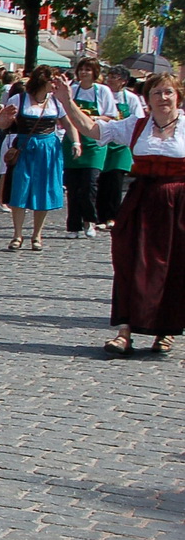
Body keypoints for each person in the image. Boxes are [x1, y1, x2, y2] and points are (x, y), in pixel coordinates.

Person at [54, 73, 183, 357]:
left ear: (178, 96)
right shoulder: (137, 125)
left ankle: (166, 330)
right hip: (142, 201)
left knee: (173, 265)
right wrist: (67, 101)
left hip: (179, 203)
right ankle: (124, 332)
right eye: (157, 93)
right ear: (147, 99)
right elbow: (93, 129)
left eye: (168, 92)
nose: (163, 98)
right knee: (129, 261)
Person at [0, 66, 66, 251]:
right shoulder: (19, 99)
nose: (55, 84)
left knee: (43, 190)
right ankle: (17, 235)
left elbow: (68, 123)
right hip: (25, 148)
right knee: (20, 188)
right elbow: (6, 124)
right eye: (53, 80)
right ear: (43, 81)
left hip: (48, 149)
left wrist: (76, 143)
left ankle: (37, 235)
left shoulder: (56, 101)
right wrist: (2, 118)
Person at [62, 58, 116, 238]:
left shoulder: (103, 91)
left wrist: (93, 118)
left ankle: (89, 220)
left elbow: (111, 115)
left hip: (94, 143)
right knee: (73, 186)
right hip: (73, 140)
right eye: (81, 69)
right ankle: (73, 225)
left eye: (88, 69)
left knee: (89, 185)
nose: (84, 72)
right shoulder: (72, 89)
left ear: (95, 73)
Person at [99, 65, 144, 229]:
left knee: (115, 180)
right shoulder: (102, 93)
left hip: (120, 144)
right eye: (109, 76)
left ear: (124, 81)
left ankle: (112, 216)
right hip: (103, 140)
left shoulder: (131, 98)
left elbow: (138, 118)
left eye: (114, 77)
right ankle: (100, 216)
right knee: (101, 179)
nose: (110, 79)